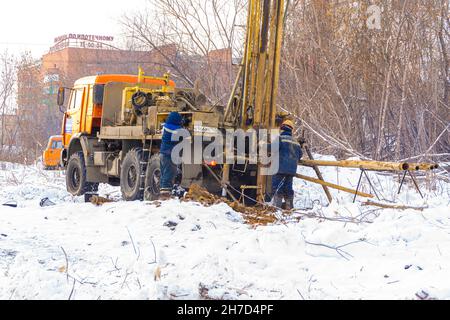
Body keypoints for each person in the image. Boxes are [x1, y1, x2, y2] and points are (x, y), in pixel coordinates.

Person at [272, 119, 303, 210]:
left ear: (282, 128)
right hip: (291, 171)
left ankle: (277, 208)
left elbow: (272, 148)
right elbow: (300, 155)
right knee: (288, 187)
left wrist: (262, 145)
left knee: (277, 187)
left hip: (280, 168)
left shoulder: (280, 139)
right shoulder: (295, 142)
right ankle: (289, 207)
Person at [160, 111, 183, 198]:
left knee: (164, 174)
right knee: (169, 174)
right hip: (169, 155)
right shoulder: (175, 129)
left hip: (163, 153)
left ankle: (162, 192)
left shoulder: (166, 126)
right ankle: (165, 195)